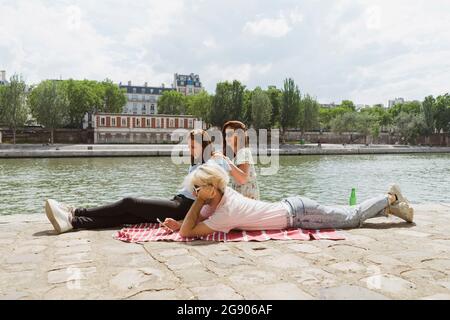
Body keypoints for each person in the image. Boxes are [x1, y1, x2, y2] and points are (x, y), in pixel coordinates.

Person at [44, 130, 230, 234]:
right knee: (127, 217)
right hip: (178, 202)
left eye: (192, 145)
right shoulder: (197, 162)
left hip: (184, 207)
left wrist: (184, 221)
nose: (189, 149)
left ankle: (76, 211)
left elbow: (216, 192)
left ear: (204, 144)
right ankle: (74, 222)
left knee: (129, 202)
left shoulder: (215, 161)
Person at [160, 164, 414, 238]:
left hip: (300, 215)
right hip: (296, 207)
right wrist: (179, 221)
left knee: (353, 218)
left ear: (212, 189)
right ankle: (391, 206)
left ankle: (389, 196)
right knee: (347, 212)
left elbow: (188, 233)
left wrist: (184, 221)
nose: (193, 193)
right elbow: (192, 222)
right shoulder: (216, 202)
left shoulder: (226, 210)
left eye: (197, 188)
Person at [214, 120, 260, 200]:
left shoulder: (244, 152)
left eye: (230, 134)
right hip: (241, 203)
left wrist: (226, 161)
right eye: (226, 134)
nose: (226, 137)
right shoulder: (236, 156)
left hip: (247, 206)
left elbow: (242, 179)